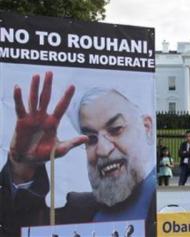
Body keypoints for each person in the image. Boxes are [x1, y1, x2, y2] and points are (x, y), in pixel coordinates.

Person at [0, 72, 156, 236]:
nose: (103, 150)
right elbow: (19, 229)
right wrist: (23, 167)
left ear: (146, 127)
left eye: (116, 129)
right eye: (90, 138)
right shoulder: (78, 209)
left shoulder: (163, 208)